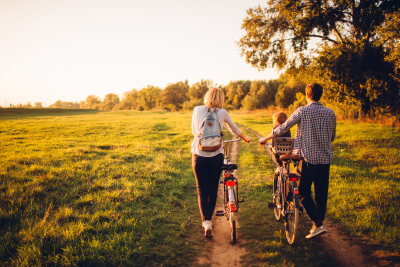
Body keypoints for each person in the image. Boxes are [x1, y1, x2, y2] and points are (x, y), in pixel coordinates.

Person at [259, 83, 336, 239]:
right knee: (321, 193)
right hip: (325, 159)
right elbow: (332, 137)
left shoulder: (302, 111)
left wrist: (265, 138)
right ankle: (317, 223)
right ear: (320, 95)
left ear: (307, 95)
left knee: (303, 192)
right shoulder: (330, 113)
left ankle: (318, 223)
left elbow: (282, 128)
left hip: (306, 158)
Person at [191, 87, 251, 238]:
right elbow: (234, 129)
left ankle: (207, 224)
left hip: (199, 155)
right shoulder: (222, 112)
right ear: (221, 99)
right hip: (216, 156)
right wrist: (245, 139)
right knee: (212, 190)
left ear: (207, 97)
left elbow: (194, 131)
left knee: (201, 191)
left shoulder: (197, 110)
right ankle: (210, 219)